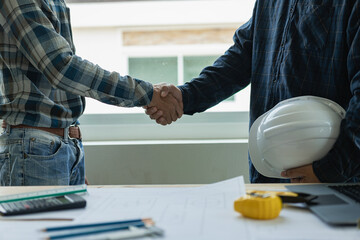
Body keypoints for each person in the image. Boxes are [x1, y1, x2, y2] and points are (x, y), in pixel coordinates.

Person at [145, 0, 360, 183]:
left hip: (331, 181)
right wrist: (185, 96)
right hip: (268, 174)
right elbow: (240, 58)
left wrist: (328, 171)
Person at [0, 0, 182, 186]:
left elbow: (61, 91)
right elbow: (62, 68)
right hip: (35, 150)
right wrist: (148, 94)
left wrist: (72, 158)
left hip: (58, 148)